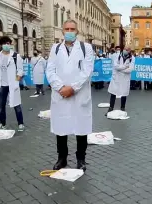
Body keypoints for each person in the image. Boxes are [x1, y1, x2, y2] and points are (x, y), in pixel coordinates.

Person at [46, 19, 94, 171]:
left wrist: (72, 88)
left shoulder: (86, 48)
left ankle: (81, 158)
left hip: (79, 95)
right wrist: (60, 87)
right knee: (61, 128)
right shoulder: (55, 48)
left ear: (77, 31)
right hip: (60, 95)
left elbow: (87, 71)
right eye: (66, 29)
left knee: (81, 128)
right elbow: (50, 70)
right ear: (62, 31)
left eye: (72, 29)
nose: (69, 31)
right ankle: (62, 158)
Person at [0, 36, 25, 131]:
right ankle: (2, 123)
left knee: (16, 104)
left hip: (12, 84)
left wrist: (16, 81)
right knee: (1, 106)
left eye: (8, 43)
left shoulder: (15, 56)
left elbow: (20, 70)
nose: (6, 45)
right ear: (1, 45)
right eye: (4, 43)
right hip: (2, 85)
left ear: (10, 44)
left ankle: (20, 123)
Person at [106, 47, 133, 115]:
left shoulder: (132, 58)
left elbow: (130, 69)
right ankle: (111, 108)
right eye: (125, 49)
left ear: (130, 51)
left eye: (127, 50)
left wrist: (120, 69)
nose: (126, 51)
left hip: (125, 78)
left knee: (124, 93)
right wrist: (124, 67)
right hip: (117, 78)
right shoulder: (117, 56)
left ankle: (122, 108)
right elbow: (115, 66)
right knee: (113, 92)